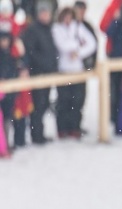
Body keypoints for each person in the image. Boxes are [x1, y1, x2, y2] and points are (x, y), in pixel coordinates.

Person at [52, 6, 96, 139]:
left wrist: (79, 52)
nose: (67, 20)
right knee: (63, 100)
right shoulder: (57, 28)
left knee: (77, 100)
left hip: (78, 69)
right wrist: (77, 44)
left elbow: (92, 43)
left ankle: (75, 127)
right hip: (63, 70)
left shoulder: (78, 27)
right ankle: (62, 128)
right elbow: (61, 45)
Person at [21, 1, 58, 145]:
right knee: (38, 105)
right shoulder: (32, 30)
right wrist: (42, 64)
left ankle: (39, 133)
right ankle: (36, 135)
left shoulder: (48, 29)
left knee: (44, 104)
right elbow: (31, 52)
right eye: (43, 12)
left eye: (47, 13)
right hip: (37, 73)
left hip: (47, 73)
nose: (45, 15)